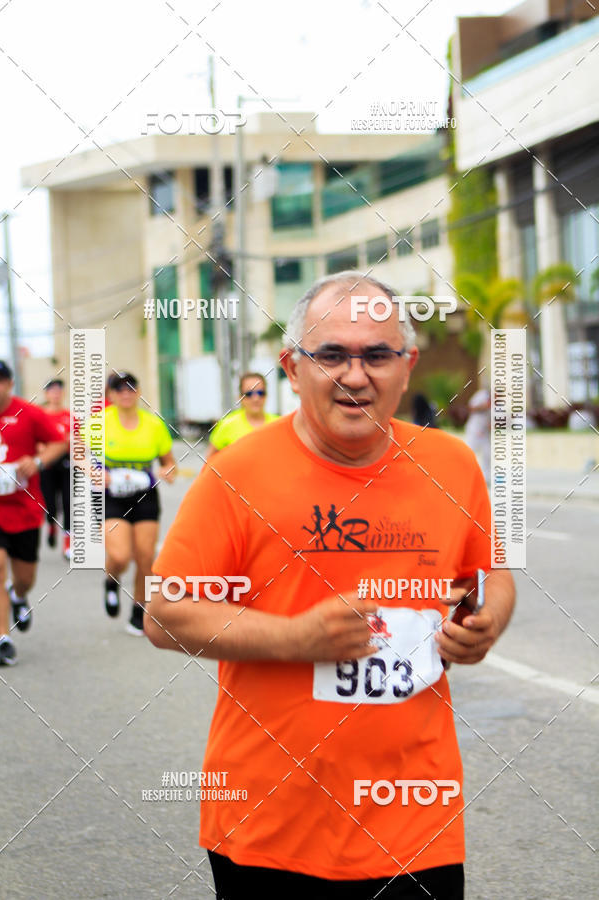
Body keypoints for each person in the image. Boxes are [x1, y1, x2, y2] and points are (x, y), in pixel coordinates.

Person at [146, 272, 515, 900]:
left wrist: (486, 623)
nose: (355, 375)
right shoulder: (238, 473)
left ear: (407, 365)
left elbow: (490, 576)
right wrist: (297, 636)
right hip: (271, 823)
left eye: (376, 354)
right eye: (332, 355)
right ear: (294, 367)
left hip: (416, 819)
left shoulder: (453, 464)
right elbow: (164, 614)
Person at [0, 361, 67, 665]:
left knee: (24, 576)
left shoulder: (28, 413)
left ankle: (19, 595)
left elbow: (59, 443)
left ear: (9, 384)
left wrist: (37, 462)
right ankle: (3, 637)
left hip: (24, 509)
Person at [101, 371, 177, 635]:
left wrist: (168, 472)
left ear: (139, 392)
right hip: (112, 495)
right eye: (119, 388)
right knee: (120, 555)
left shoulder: (153, 425)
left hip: (145, 495)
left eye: (131, 387)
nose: (125, 393)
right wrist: (92, 472)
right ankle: (111, 580)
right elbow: (78, 456)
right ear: (110, 395)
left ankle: (138, 609)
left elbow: (169, 462)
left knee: (146, 557)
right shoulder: (99, 423)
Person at [205, 372, 278, 457]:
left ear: (267, 395)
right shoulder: (227, 424)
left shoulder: (279, 423)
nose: (256, 398)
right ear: (240, 397)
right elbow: (209, 462)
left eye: (260, 393)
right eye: (249, 394)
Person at [38, 378, 71, 559]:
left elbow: (78, 441)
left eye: (59, 391)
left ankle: (67, 544)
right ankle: (51, 525)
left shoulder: (69, 416)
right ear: (46, 394)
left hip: (66, 463)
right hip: (46, 464)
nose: (56, 394)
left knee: (68, 503)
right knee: (50, 504)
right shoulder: (40, 415)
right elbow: (35, 441)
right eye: (52, 391)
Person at [464, 386, 491, 482]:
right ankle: (465, 475)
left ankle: (486, 477)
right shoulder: (482, 395)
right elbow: (471, 407)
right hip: (474, 429)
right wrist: (484, 406)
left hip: (484, 432)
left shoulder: (498, 404)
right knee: (469, 452)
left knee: (487, 454)